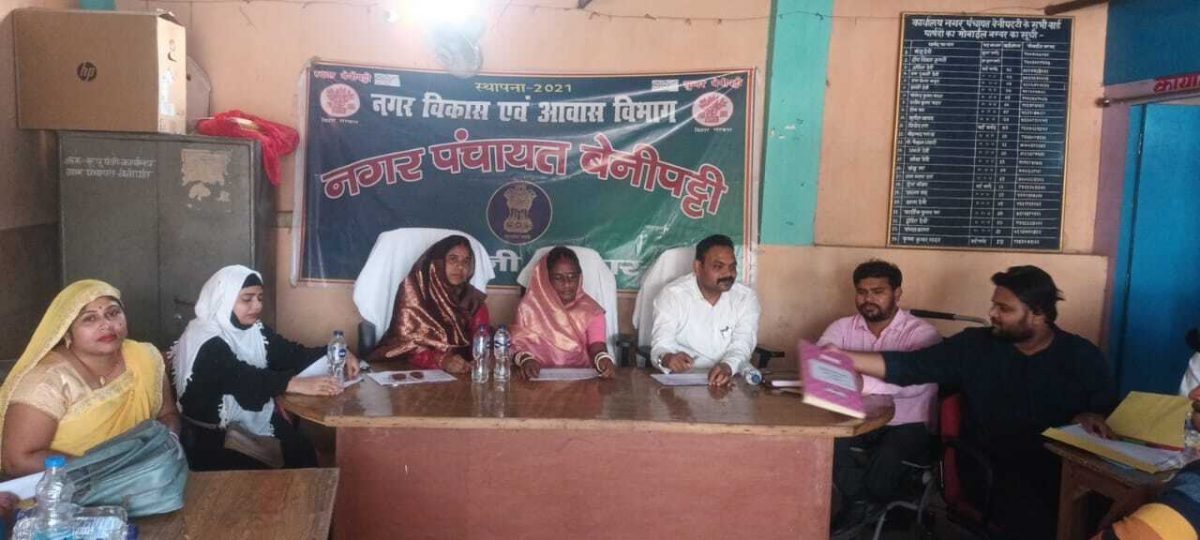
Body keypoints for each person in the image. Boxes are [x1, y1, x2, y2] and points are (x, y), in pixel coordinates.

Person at [837, 265, 1118, 539]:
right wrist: (844, 357)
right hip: (992, 466)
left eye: (1004, 308)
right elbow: (910, 366)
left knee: (1110, 507)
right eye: (994, 305)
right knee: (1033, 512)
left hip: (1063, 466)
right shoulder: (974, 346)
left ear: (1038, 313)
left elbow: (1106, 412)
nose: (992, 314)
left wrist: (1091, 415)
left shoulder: (1081, 356)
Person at [173, 265, 359, 470]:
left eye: (260, 298)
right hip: (212, 439)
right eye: (247, 299)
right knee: (292, 458)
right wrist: (295, 384)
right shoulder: (202, 339)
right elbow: (243, 379)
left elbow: (291, 355)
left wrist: (335, 351)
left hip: (245, 423)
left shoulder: (254, 331)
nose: (257, 306)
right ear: (223, 299)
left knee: (301, 449)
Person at [0, 280, 181, 476]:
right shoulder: (46, 381)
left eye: (113, 313)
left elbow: (167, 415)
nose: (106, 325)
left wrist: (165, 444)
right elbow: (17, 460)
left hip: (145, 478)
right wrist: (104, 468)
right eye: (89, 319)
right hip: (65, 489)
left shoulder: (145, 357)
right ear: (67, 331)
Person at [818, 260, 942, 526]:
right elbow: (822, 368)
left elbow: (918, 383)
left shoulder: (922, 333)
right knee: (824, 444)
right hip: (854, 419)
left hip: (908, 423)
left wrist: (861, 383)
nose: (868, 299)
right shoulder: (841, 327)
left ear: (897, 293)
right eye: (862, 292)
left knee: (887, 458)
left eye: (878, 291)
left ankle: (863, 511)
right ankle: (863, 506)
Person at [650, 234, 761, 386]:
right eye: (718, 267)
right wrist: (668, 358)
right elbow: (661, 346)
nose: (728, 274)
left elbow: (742, 345)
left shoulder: (745, 298)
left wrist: (727, 366)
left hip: (728, 379)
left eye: (732, 267)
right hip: (681, 383)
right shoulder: (672, 296)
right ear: (697, 267)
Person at [369, 235, 489, 374]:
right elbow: (403, 345)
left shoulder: (473, 300)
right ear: (436, 263)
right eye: (453, 259)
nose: (460, 266)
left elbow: (482, 342)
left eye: (466, 261)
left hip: (460, 373)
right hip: (407, 372)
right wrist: (441, 360)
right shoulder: (413, 291)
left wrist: (485, 359)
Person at [512, 246, 616, 380]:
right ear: (544, 278)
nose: (567, 283)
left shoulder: (591, 310)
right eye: (558, 278)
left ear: (580, 277)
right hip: (536, 380)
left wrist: (602, 358)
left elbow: (597, 346)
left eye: (572, 276)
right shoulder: (528, 309)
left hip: (579, 382)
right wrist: (525, 359)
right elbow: (517, 347)